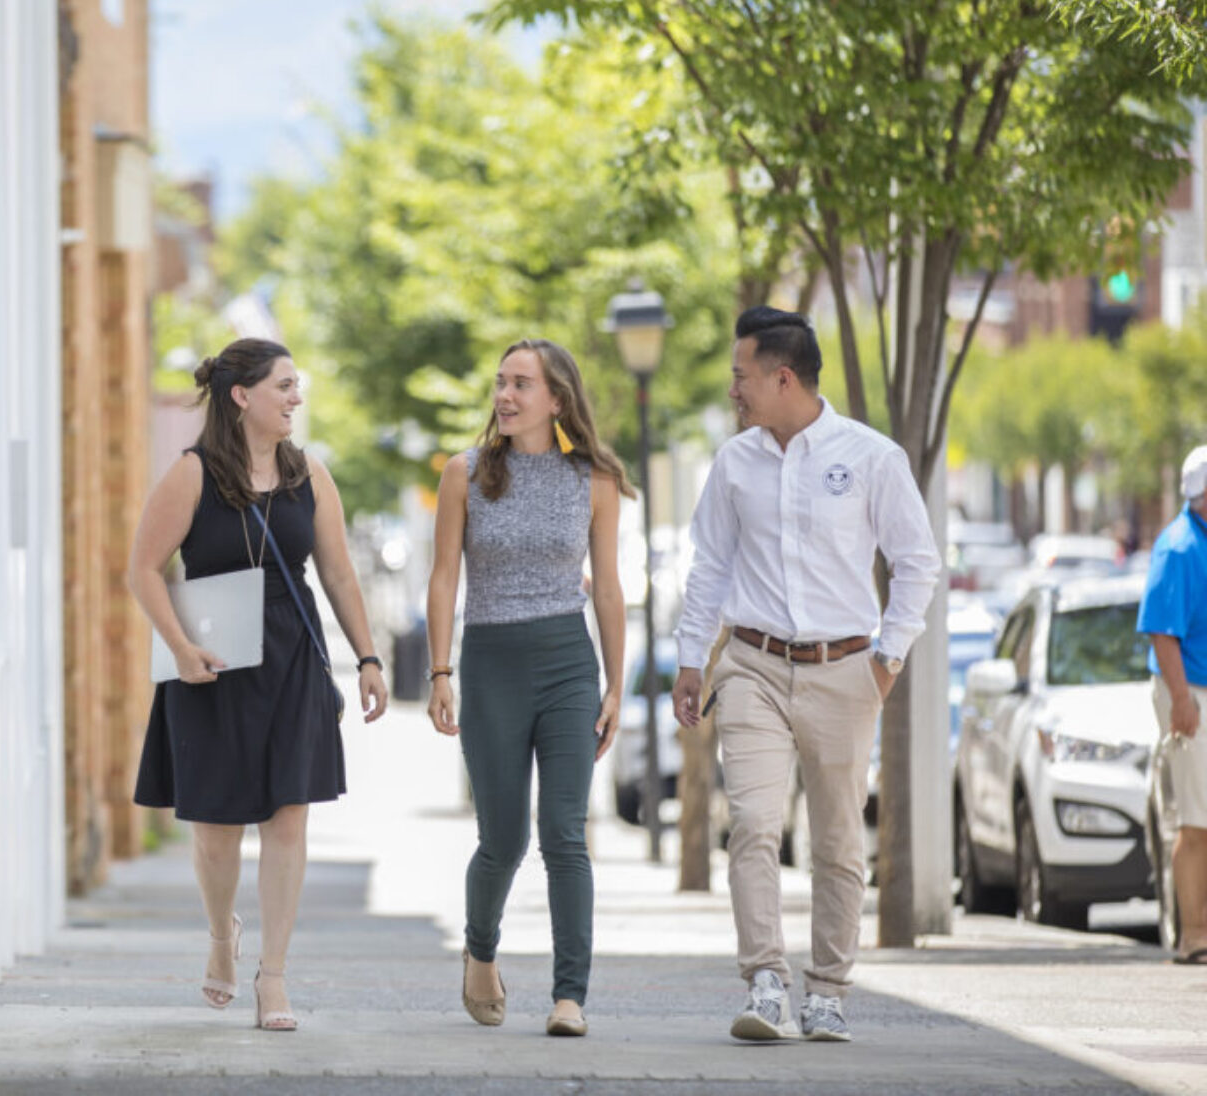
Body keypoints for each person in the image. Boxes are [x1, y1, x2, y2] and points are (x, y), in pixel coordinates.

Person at [670, 307, 939, 1043]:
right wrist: (692, 659)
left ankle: (827, 991)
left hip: (844, 668)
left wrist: (887, 658)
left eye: (741, 376)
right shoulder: (735, 462)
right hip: (752, 663)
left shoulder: (872, 457)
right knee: (754, 822)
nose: (734, 390)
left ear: (781, 376)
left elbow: (918, 564)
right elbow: (711, 567)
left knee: (837, 842)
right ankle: (766, 981)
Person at [129, 338, 389, 1031]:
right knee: (217, 830)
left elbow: (337, 575)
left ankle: (273, 978)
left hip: (291, 658)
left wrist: (367, 658)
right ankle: (222, 939)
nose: (295, 397)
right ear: (242, 396)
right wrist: (180, 647)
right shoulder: (192, 476)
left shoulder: (312, 476)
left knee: (287, 818)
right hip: (210, 664)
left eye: (296, 386)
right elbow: (145, 569)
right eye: (284, 386)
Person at [425, 338, 631, 1038]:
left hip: (569, 663)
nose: (505, 396)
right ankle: (480, 949)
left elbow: (607, 586)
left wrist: (615, 684)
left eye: (522, 384)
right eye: (501, 382)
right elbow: (444, 579)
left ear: (557, 398)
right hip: (490, 665)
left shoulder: (595, 480)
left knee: (565, 834)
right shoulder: (466, 473)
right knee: (503, 838)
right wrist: (440, 672)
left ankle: (569, 996)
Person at [1138, 444, 1207, 963]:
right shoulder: (1180, 547)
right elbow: (1163, 634)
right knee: (1196, 818)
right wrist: (1182, 700)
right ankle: (1194, 936)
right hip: (1192, 691)